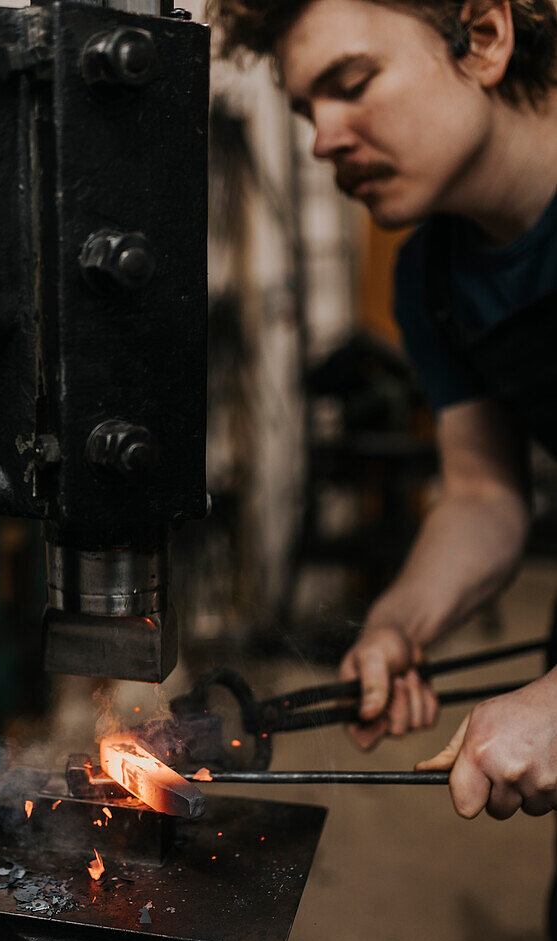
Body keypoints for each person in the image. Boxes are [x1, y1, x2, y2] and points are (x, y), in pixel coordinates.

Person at [209, 0, 557, 823]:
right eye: (305, 110)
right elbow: (483, 494)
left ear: (483, 38)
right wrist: (397, 623)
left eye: (352, 83)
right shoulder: (433, 277)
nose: (322, 138)